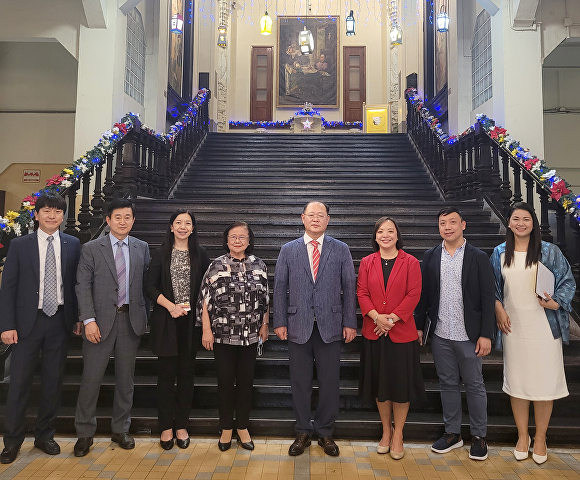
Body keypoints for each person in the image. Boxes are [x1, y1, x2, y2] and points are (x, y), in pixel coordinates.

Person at [490, 202, 575, 464]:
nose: (521, 223)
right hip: (514, 327)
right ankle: (522, 436)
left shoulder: (549, 251)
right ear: (509, 222)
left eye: (526, 219)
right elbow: (491, 287)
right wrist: (498, 310)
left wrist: (556, 301)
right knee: (518, 383)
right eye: (516, 218)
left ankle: (540, 438)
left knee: (544, 383)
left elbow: (567, 281)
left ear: (534, 223)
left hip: (544, 327)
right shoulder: (500, 252)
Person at [0, 194, 81, 464]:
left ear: (62, 216)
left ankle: (45, 435)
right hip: (26, 324)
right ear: (36, 215)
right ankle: (12, 441)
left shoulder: (73, 244)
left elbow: (75, 286)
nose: (52, 216)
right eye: (46, 211)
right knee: (19, 383)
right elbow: (8, 287)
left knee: (52, 382)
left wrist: (78, 317)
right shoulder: (20, 245)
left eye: (58, 212)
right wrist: (7, 325)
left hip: (59, 320)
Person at [273, 201, 357, 457]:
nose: (316, 219)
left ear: (328, 219)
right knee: (299, 382)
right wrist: (279, 321)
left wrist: (350, 322)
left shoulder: (341, 249)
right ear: (302, 218)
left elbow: (350, 288)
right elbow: (279, 287)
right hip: (297, 324)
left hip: (330, 325)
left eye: (321, 215)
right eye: (312, 215)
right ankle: (302, 431)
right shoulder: (288, 250)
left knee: (329, 381)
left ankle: (325, 431)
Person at [415, 206, 495, 461]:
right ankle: (452, 433)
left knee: (474, 385)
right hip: (440, 333)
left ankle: (479, 436)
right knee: (447, 383)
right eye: (442, 223)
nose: (447, 227)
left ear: (463, 225)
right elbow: (424, 295)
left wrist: (486, 334)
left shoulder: (478, 257)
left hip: (469, 335)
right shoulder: (430, 256)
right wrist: (419, 326)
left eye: (452, 222)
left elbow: (486, 297)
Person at [73, 198, 150, 457]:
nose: (122, 221)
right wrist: (88, 320)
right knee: (90, 379)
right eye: (117, 217)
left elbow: (145, 286)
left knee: (125, 380)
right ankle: (85, 433)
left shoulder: (142, 247)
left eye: (127, 217)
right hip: (99, 322)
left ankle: (121, 429)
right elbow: (82, 286)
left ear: (133, 220)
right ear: (107, 220)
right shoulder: (92, 248)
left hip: (130, 321)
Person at [197, 221, 269, 451]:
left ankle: (243, 427)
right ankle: (226, 427)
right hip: (223, 335)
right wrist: (206, 330)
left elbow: (266, 299)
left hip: (250, 335)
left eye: (242, 237)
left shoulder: (259, 265)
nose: (237, 241)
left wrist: (265, 324)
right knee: (226, 383)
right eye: (233, 237)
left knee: (246, 383)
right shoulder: (216, 265)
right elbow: (204, 300)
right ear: (226, 240)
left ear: (249, 241)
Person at [357, 217, 424, 460]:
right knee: (380, 386)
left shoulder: (411, 262)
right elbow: (362, 293)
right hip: (374, 332)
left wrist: (392, 319)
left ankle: (399, 435)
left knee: (400, 387)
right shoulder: (367, 262)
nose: (385, 235)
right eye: (381, 232)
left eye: (390, 231)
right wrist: (377, 318)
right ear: (375, 237)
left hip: (401, 333)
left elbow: (414, 293)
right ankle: (386, 431)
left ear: (397, 235)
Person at [145, 211, 210, 450]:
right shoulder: (161, 253)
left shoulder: (200, 254)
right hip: (167, 321)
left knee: (186, 375)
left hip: (191, 324)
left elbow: (206, 291)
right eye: (178, 223)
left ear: (193, 228)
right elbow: (149, 287)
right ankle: (165, 427)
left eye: (188, 223)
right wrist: (171, 307)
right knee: (166, 375)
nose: (183, 227)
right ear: (171, 226)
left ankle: (181, 425)